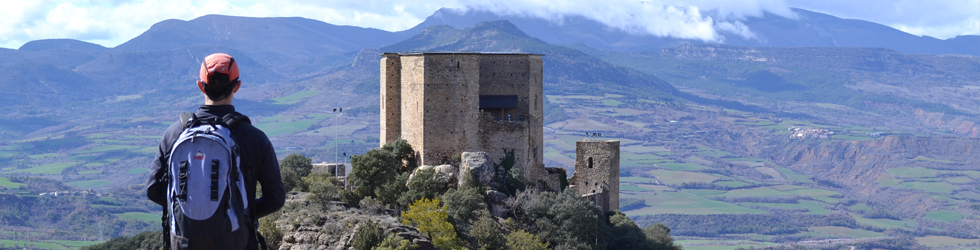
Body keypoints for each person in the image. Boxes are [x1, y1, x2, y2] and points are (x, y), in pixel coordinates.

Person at [146, 53, 286, 249]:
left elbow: (153, 190)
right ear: (237, 86)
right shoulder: (254, 138)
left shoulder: (174, 133)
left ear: (200, 85)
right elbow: (275, 199)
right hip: (235, 241)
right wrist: (240, 212)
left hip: (184, 242)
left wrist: (189, 213)